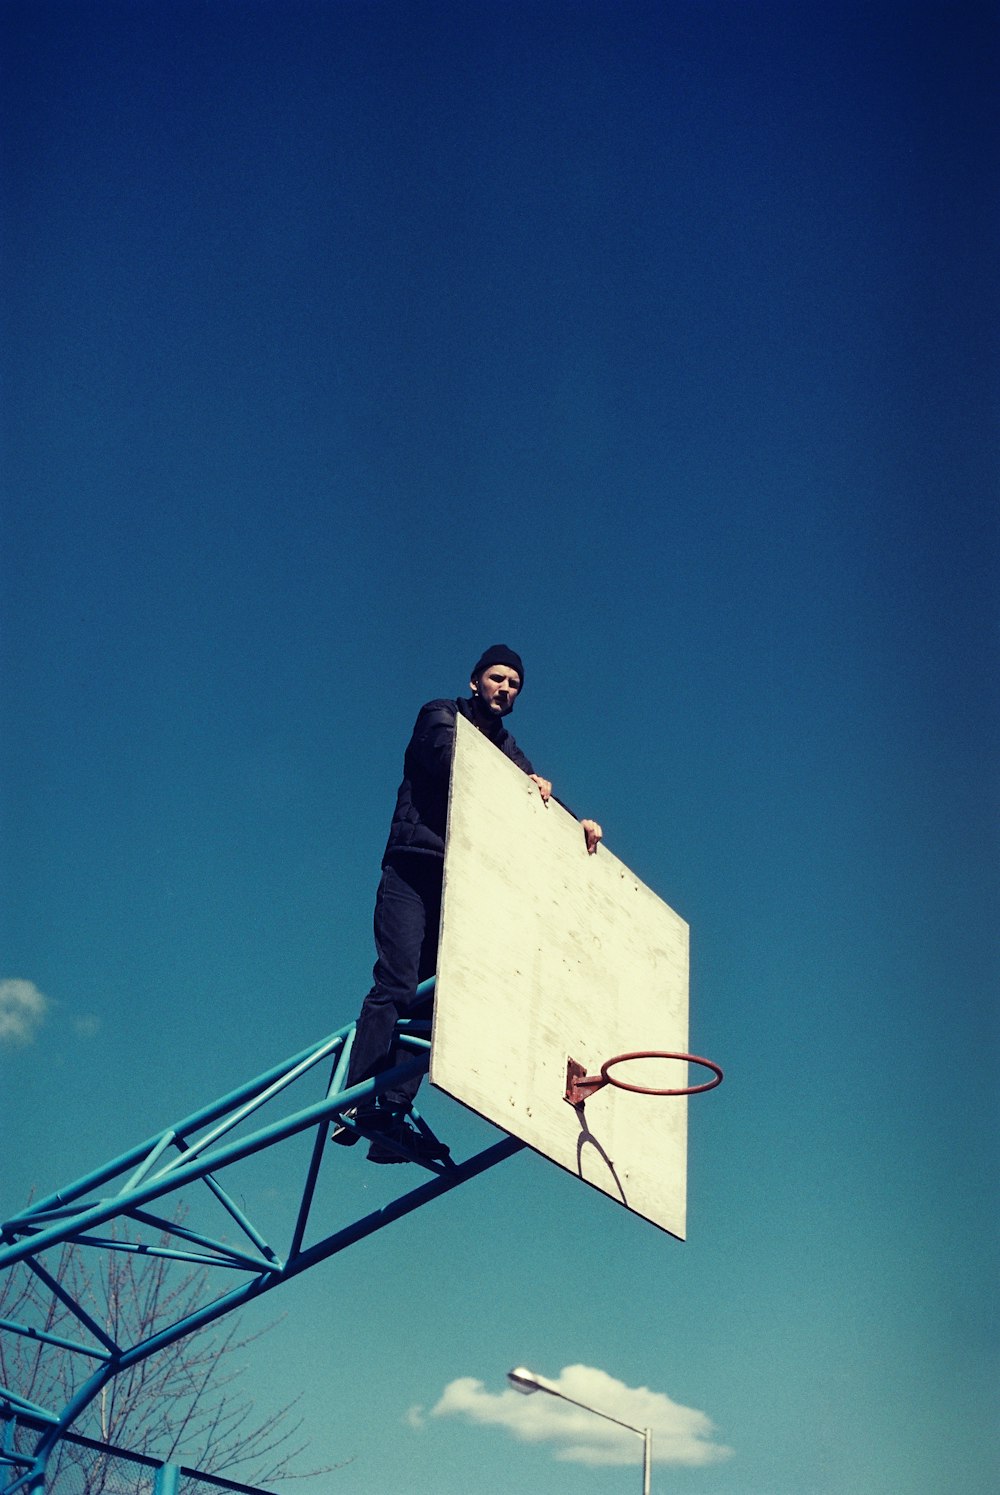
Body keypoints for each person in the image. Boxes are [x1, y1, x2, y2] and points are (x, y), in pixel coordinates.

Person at [333, 644, 602, 1164]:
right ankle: (357, 1096)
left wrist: (576, 824)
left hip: (456, 885)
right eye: (498, 679)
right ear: (476, 681)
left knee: (438, 1001)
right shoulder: (440, 715)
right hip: (411, 870)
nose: (506, 689)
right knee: (397, 981)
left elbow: (536, 804)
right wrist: (521, 782)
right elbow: (448, 757)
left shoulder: (507, 749)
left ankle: (391, 1108)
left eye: (515, 685)